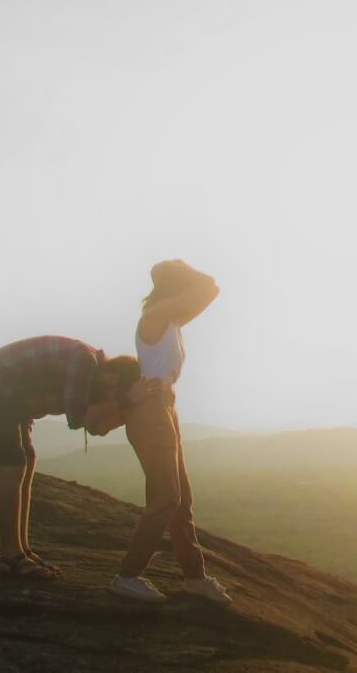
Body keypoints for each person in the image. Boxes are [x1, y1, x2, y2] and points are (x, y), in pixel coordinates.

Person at [0, 335, 139, 579]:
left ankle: (22, 550)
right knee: (12, 464)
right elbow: (76, 418)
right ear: (113, 377)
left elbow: (95, 426)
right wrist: (123, 402)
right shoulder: (85, 361)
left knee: (27, 459)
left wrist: (119, 409)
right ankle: (12, 555)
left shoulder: (91, 366)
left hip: (5, 392)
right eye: (117, 390)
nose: (111, 394)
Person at [109, 259, 232, 605]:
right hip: (150, 411)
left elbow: (211, 291)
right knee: (167, 498)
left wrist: (177, 272)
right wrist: (181, 268)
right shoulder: (157, 315)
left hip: (165, 407)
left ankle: (195, 577)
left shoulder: (171, 319)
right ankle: (127, 576)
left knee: (182, 500)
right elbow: (209, 287)